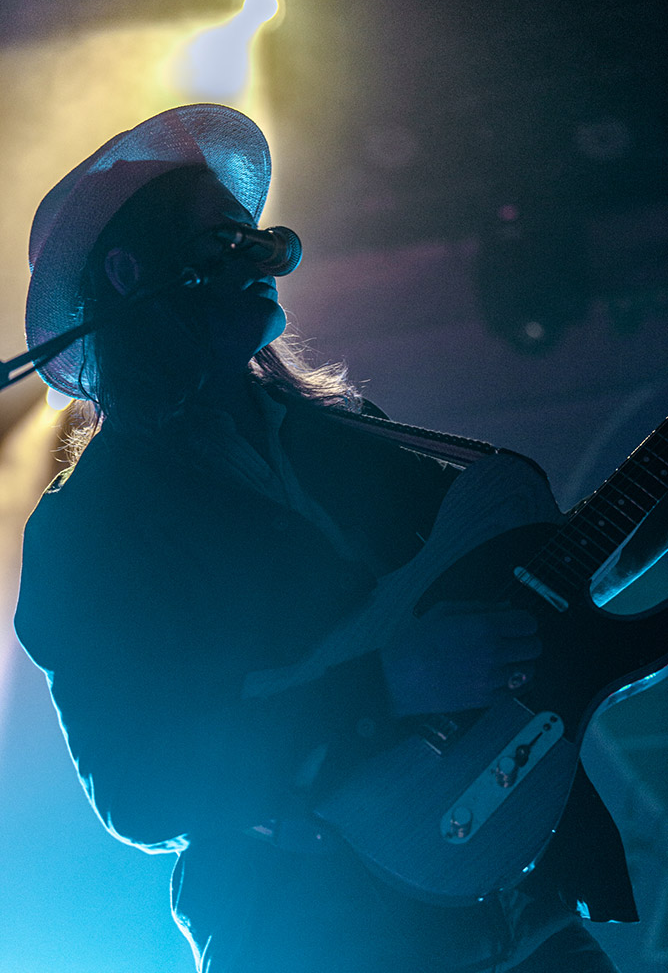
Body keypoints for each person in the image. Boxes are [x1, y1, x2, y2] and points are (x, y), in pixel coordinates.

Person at [13, 104, 656, 973]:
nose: (266, 257)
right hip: (312, 928)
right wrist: (388, 683)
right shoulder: (88, 532)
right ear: (131, 273)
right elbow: (143, 786)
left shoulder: (355, 440)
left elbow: (531, 601)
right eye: (226, 243)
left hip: (517, 908)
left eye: (258, 238)